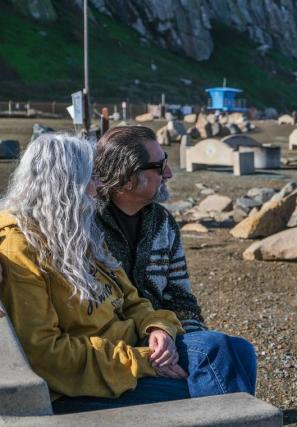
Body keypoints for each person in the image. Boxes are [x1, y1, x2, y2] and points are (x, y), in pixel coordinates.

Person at [0, 134, 256, 414]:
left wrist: (159, 327)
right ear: (64, 185)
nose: (98, 189)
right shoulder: (21, 249)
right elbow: (45, 354)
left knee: (236, 352)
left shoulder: (77, 233)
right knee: (214, 370)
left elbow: (133, 299)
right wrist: (142, 361)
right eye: (92, 178)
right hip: (82, 382)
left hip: (128, 350)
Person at [93, 126, 205, 332]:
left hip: (165, 336)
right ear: (126, 177)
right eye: (160, 166)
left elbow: (181, 298)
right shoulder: (88, 226)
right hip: (113, 346)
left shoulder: (163, 222)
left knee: (232, 349)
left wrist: (192, 340)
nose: (169, 173)